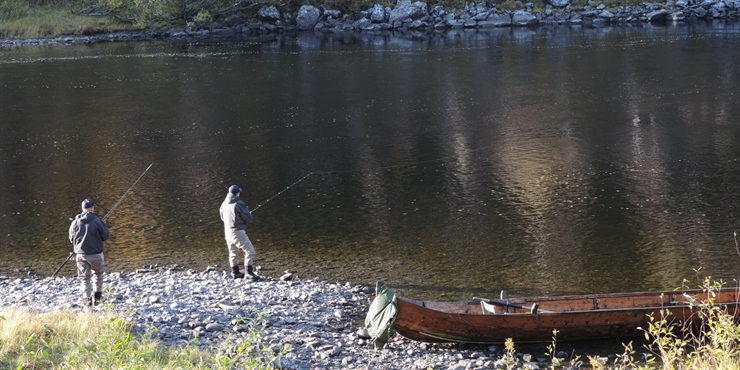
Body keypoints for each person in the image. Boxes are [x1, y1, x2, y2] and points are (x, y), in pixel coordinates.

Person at [69, 199, 110, 306]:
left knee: (84, 278)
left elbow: (71, 239)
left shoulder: (75, 223)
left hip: (81, 255)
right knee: (98, 275)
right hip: (96, 253)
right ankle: (97, 298)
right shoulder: (97, 221)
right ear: (92, 208)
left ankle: (88, 301)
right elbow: (105, 237)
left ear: (82, 209)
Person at [219, 185, 260, 280]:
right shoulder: (238, 203)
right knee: (250, 251)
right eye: (239, 192)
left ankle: (235, 273)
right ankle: (249, 273)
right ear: (237, 193)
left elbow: (222, 218)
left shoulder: (223, 204)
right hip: (237, 232)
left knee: (233, 252)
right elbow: (249, 219)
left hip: (227, 232)